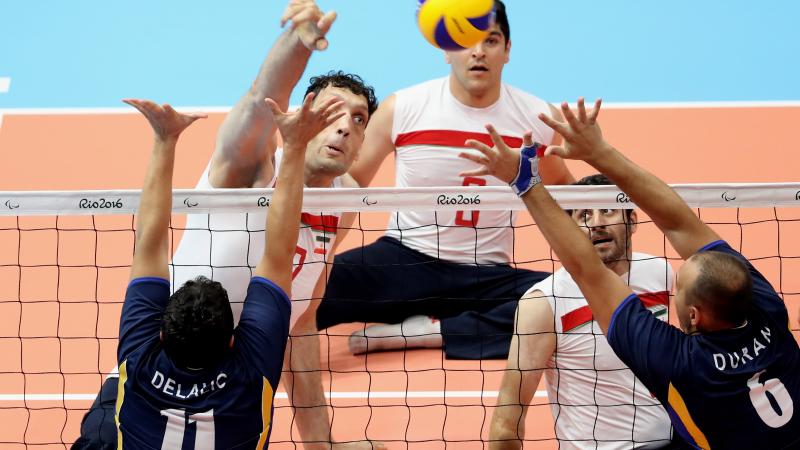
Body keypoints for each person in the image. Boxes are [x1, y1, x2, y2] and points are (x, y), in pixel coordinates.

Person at [74, 1, 383, 448]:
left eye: (358, 120)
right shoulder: (248, 167)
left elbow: (301, 323)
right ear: (299, 116)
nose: (345, 128)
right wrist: (298, 42)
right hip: (153, 386)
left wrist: (321, 443)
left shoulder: (344, 203)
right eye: (332, 112)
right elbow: (262, 97)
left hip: (234, 399)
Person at [463, 98, 800, 449]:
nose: (595, 224)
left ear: (693, 315)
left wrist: (526, 183)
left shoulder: (680, 363)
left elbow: (588, 272)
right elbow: (681, 223)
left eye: (680, 289)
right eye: (583, 216)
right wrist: (599, 151)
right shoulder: (769, 310)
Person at [317, 0, 575, 360]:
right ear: (445, 50)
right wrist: (317, 256)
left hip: (485, 276)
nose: (478, 52)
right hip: (401, 263)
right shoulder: (403, 108)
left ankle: (432, 332)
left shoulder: (538, 119)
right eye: (465, 41)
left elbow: (565, 193)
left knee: (572, 299)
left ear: (507, 50)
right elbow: (349, 187)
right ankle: (465, 326)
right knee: (296, 291)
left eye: (491, 41)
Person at [108, 93, 341, 446]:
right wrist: (293, 148)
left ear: (160, 335)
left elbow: (149, 244)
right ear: (233, 340)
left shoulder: (139, 364)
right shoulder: (249, 377)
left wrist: (163, 139)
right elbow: (280, 254)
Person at [489, 174, 674, 449]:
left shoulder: (659, 274)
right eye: (584, 214)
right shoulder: (544, 304)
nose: (597, 223)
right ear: (568, 229)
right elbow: (506, 423)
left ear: (632, 221)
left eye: (607, 210)